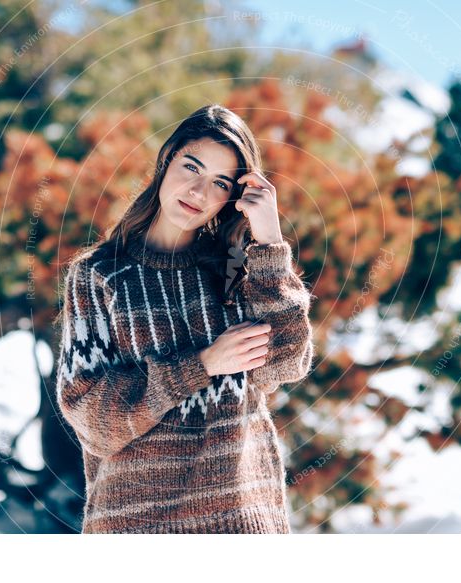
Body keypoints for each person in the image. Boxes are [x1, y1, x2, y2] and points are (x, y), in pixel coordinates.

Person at [55, 104, 314, 533]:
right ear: (166, 160)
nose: (198, 191)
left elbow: (287, 363)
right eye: (191, 167)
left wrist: (269, 239)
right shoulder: (99, 276)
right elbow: (92, 417)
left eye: (220, 183)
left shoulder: (236, 270)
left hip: (242, 525)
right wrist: (203, 365)